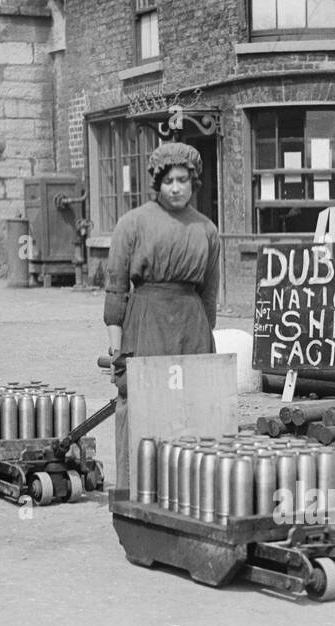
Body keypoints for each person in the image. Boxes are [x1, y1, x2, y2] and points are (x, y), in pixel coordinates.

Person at [104, 142, 221, 492]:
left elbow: (210, 293)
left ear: (193, 182)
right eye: (169, 179)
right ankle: (137, 492)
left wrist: (204, 335)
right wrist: (116, 349)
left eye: (183, 180)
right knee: (142, 406)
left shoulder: (206, 230)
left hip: (192, 326)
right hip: (146, 322)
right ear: (157, 181)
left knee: (193, 408)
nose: (175, 187)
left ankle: (191, 492)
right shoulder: (132, 224)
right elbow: (115, 288)